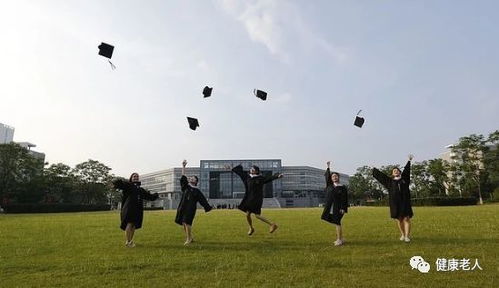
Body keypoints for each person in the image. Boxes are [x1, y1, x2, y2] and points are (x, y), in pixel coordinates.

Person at [226, 164, 283, 235]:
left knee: (256, 215)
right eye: (251, 169)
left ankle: (272, 224)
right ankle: (252, 228)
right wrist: (231, 168)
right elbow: (239, 173)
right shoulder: (247, 177)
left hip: (257, 198)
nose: (251, 170)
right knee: (248, 214)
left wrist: (277, 176)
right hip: (249, 198)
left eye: (252, 169)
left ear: (256, 171)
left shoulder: (260, 178)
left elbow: (268, 179)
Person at [372, 154, 414, 242]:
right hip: (395, 203)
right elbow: (381, 176)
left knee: (406, 218)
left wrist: (409, 161)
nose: (396, 171)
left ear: (400, 172)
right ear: (392, 173)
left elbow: (407, 171)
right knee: (399, 219)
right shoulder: (389, 182)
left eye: (397, 170)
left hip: (405, 202)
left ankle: (407, 236)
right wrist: (374, 169)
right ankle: (402, 234)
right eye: (394, 170)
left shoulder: (404, 179)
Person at [113, 173, 159, 247]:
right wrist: (117, 181)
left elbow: (148, 196)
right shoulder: (128, 185)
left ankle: (130, 241)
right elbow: (121, 185)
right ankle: (128, 242)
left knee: (134, 225)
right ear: (131, 178)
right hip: (129, 208)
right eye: (134, 176)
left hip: (137, 209)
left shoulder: (140, 189)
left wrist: (156, 195)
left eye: (137, 176)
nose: (136, 177)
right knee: (129, 223)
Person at [175, 160, 213, 245]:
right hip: (183, 207)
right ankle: (190, 237)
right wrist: (183, 166)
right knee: (184, 223)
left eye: (193, 178)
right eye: (191, 177)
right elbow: (183, 177)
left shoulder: (197, 191)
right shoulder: (186, 187)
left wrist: (208, 207)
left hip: (190, 208)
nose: (191, 178)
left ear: (196, 181)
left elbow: (202, 200)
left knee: (187, 222)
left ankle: (188, 239)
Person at [321, 161, 348, 246]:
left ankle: (339, 240)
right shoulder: (330, 186)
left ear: (338, 177)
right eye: (333, 176)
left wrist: (343, 208)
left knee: (337, 222)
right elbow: (327, 177)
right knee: (336, 222)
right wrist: (328, 167)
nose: (334, 177)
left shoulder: (342, 187)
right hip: (330, 207)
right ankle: (341, 238)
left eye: (336, 176)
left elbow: (345, 199)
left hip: (339, 207)